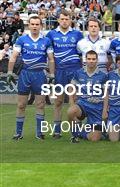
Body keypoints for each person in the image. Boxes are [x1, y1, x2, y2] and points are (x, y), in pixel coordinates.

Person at [8, 16, 55, 140]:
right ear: (28, 25)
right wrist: (9, 72)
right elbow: (13, 57)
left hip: (40, 75)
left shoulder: (46, 41)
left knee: (40, 104)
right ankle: (18, 133)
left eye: (37, 24)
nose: (34, 26)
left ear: (41, 26)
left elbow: (51, 59)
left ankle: (39, 133)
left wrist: (52, 74)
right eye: (32, 24)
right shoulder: (22, 40)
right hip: (25, 74)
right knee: (21, 105)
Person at [46, 10, 84, 138]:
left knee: (75, 101)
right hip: (59, 71)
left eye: (67, 19)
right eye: (62, 19)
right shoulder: (51, 34)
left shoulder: (77, 34)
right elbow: (49, 55)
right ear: (58, 20)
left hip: (74, 70)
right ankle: (57, 130)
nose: (64, 21)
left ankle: (76, 131)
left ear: (70, 20)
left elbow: (82, 54)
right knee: (58, 101)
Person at [66, 50, 108, 143]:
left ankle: (82, 132)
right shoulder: (79, 73)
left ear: (97, 60)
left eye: (93, 59)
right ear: (85, 60)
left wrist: (105, 110)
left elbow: (106, 94)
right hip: (83, 104)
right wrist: (72, 102)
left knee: (94, 139)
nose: (91, 61)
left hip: (97, 108)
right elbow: (71, 87)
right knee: (70, 111)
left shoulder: (103, 75)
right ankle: (74, 136)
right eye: (89, 59)